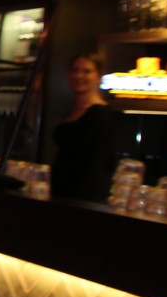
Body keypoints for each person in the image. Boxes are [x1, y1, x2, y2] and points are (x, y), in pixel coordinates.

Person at [50, 53, 117, 202]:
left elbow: (97, 166)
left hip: (81, 199)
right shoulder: (75, 110)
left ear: (98, 77)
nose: (79, 76)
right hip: (61, 194)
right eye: (74, 70)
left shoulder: (100, 114)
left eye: (86, 71)